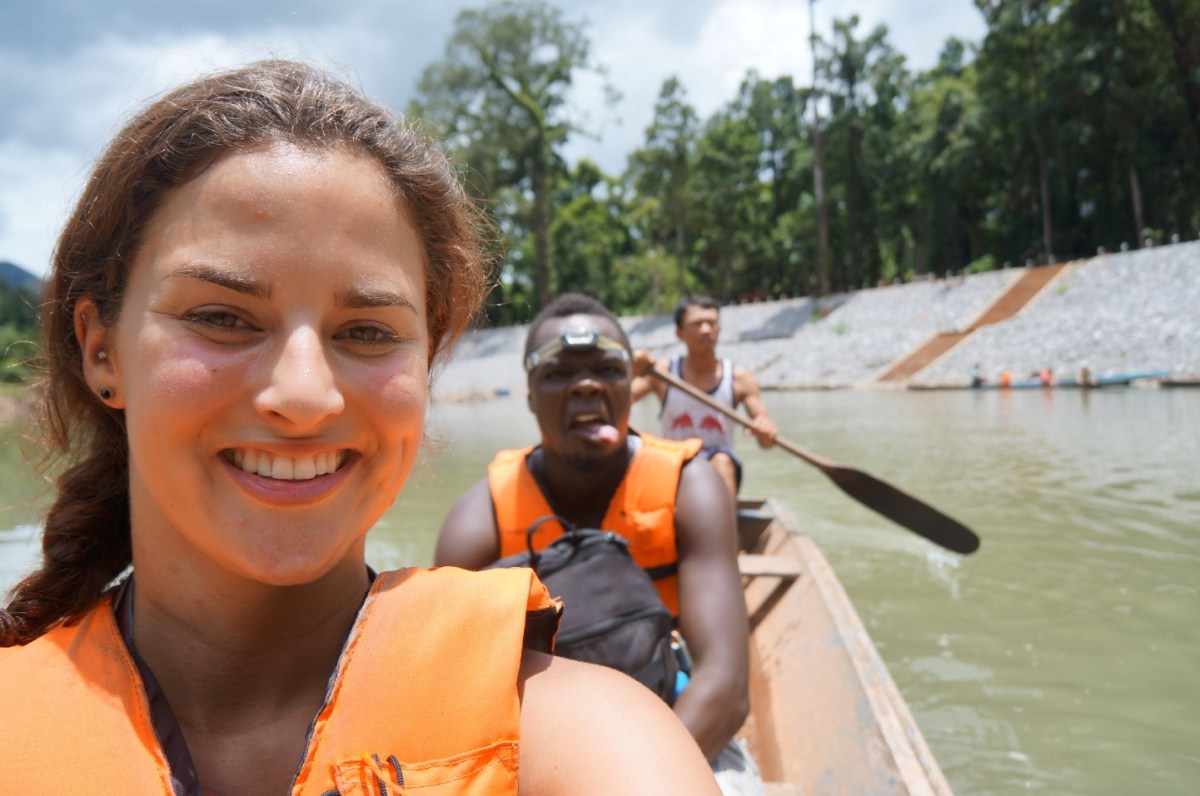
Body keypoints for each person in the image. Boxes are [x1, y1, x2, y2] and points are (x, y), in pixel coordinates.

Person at [0, 61, 718, 795]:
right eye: (221, 317)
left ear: (427, 362)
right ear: (101, 350)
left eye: (368, 331)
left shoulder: (582, 742)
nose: (305, 395)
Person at [435, 293, 761, 795]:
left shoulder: (691, 486)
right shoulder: (480, 519)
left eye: (607, 369)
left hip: (673, 718)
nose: (586, 384)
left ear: (629, 386)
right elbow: (452, 692)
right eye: (560, 373)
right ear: (529, 395)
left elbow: (726, 688)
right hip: (531, 742)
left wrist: (632, 778)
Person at [630, 296, 778, 497]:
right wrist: (629, 371)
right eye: (697, 324)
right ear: (679, 333)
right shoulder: (662, 373)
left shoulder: (739, 378)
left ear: (719, 329)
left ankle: (724, 526)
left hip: (719, 464)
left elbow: (766, 443)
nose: (706, 330)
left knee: (722, 462)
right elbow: (618, 403)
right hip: (674, 461)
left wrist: (765, 429)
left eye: (712, 323)